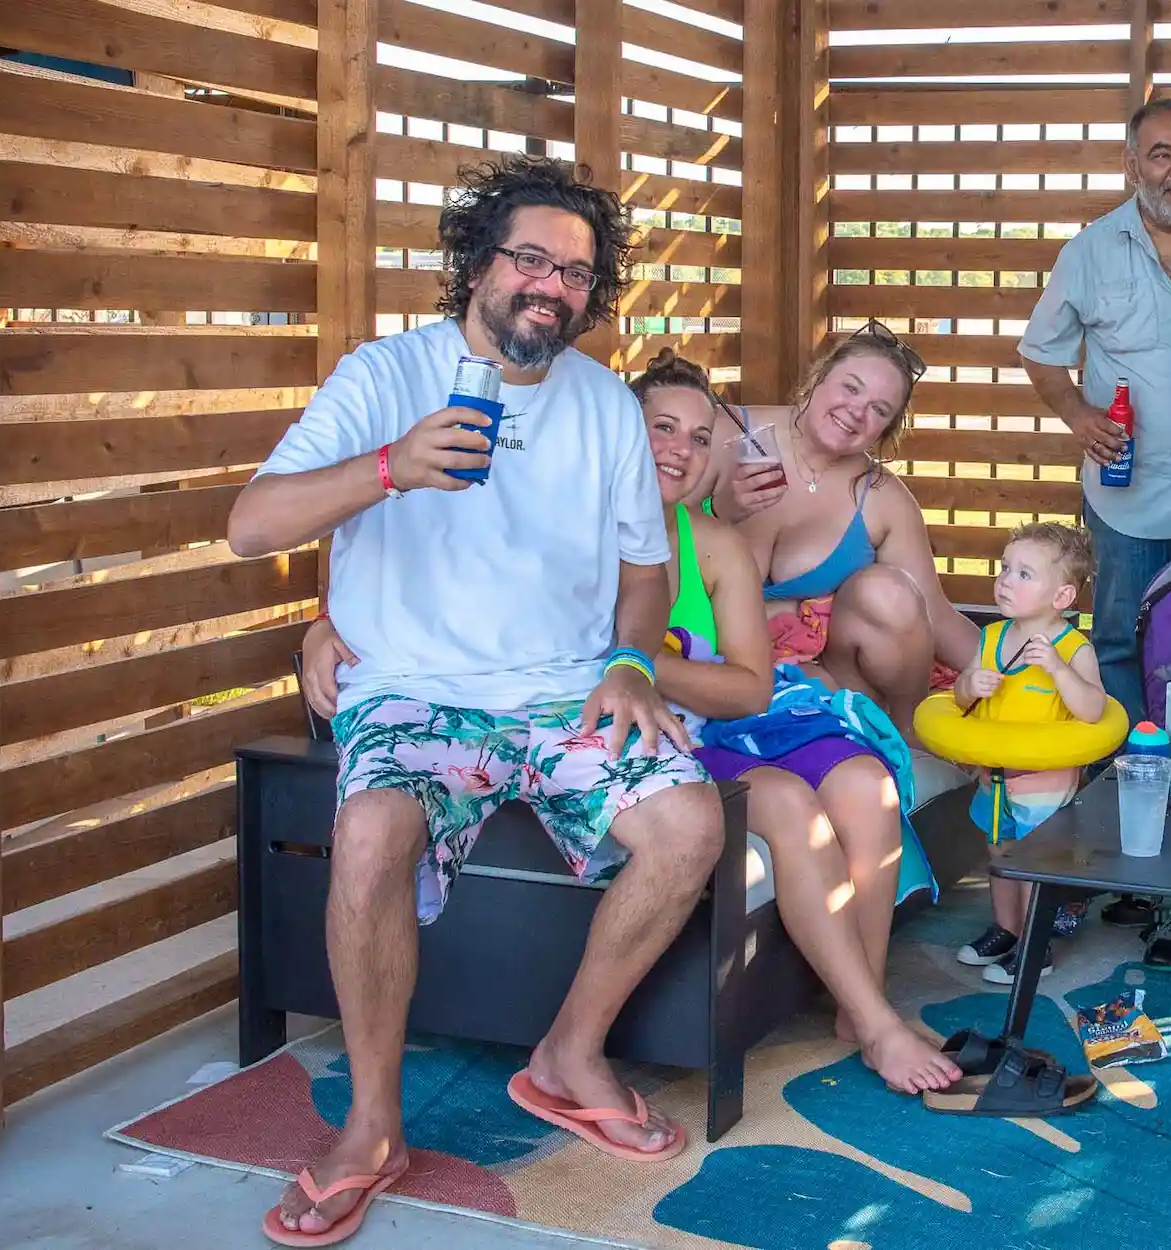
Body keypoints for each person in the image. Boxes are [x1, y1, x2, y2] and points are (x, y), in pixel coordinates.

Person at [230, 157, 721, 1247]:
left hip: (557, 691)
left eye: (579, 272)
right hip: (410, 686)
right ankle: (369, 1126)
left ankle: (567, 1054)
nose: (553, 285)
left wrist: (632, 662)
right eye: (531, 258)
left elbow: (645, 571)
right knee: (365, 832)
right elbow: (252, 524)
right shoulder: (381, 376)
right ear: (477, 261)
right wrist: (391, 468)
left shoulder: (602, 404)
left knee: (689, 820)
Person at [296, 349, 964, 1097]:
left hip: (689, 728)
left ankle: (863, 1013)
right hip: (579, 733)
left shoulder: (714, 546)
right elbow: (430, 578)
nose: (680, 449)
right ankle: (876, 1024)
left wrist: (630, 663)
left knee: (857, 783)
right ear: (618, 433)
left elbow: (744, 685)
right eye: (661, 430)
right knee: (783, 803)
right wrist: (325, 625)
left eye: (700, 438)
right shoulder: (553, 515)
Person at [1018, 96, 1171, 723]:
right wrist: (1077, 416)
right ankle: (1129, 780)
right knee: (1121, 643)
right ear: (1131, 166)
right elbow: (1042, 354)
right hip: (1129, 496)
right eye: (1161, 154)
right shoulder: (1088, 252)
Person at [709, 323, 980, 729]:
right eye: (851, 388)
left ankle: (910, 735)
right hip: (711, 657)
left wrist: (1026, 671)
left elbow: (936, 616)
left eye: (879, 410)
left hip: (825, 673)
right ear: (819, 377)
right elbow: (655, 542)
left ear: (886, 430)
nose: (857, 411)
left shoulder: (882, 497)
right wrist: (720, 511)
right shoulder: (728, 434)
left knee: (888, 592)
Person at [947, 522, 1107, 986]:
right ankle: (1007, 929)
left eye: (1023, 574)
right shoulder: (992, 638)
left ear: (1061, 597)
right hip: (994, 778)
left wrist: (1057, 670)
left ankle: (1037, 945)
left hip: (1044, 785)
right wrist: (967, 685)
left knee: (1037, 864)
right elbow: (960, 698)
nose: (1004, 581)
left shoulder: (1072, 648)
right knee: (1000, 855)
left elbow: (1093, 709)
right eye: (1003, 569)